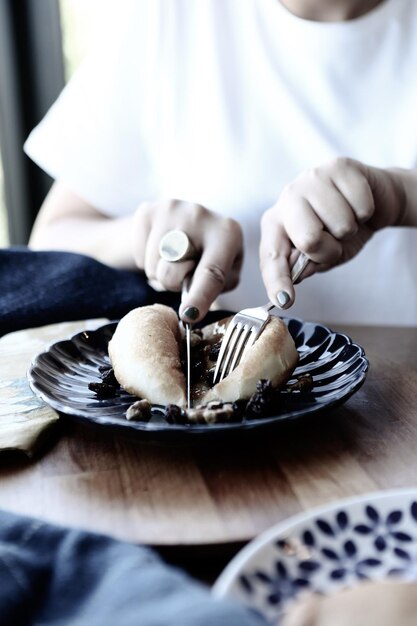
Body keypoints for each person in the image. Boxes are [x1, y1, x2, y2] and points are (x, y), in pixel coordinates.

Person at [25, 0, 417, 326]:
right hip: (223, 406)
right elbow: (51, 240)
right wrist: (153, 237)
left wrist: (400, 197)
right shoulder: (174, 15)